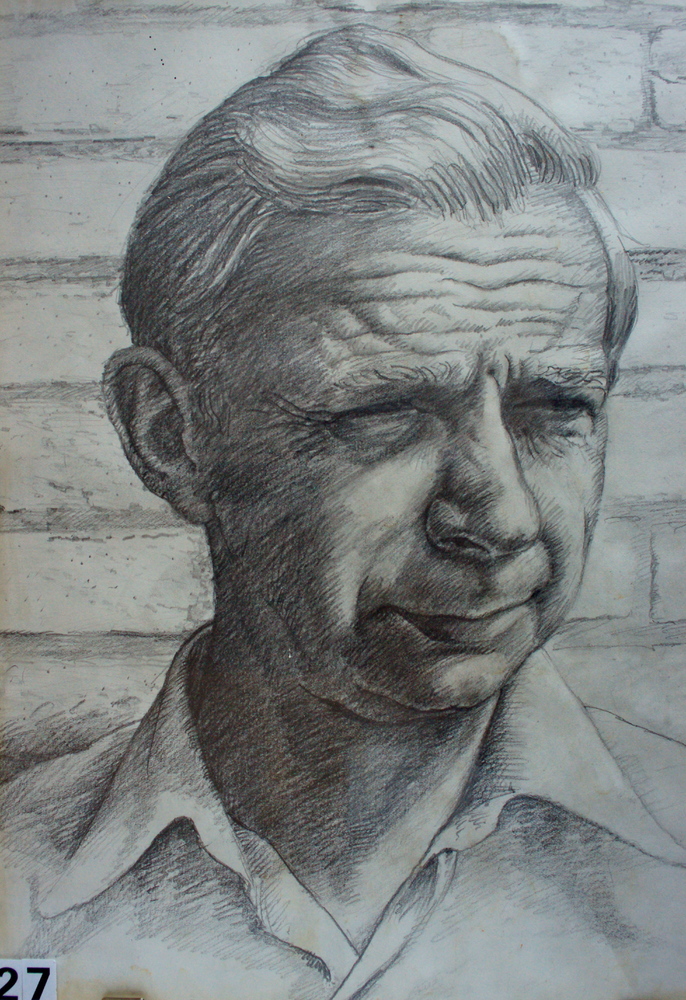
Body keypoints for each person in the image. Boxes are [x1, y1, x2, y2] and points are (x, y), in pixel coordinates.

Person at [2, 26, 686, 1000]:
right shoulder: (21, 876)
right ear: (169, 435)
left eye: (555, 410)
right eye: (384, 413)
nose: (498, 519)